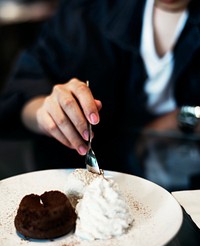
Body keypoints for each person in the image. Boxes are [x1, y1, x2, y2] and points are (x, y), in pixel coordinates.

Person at [0, 0, 200, 183]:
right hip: (78, 184)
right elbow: (22, 92)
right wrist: (45, 112)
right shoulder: (86, 9)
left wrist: (182, 119)